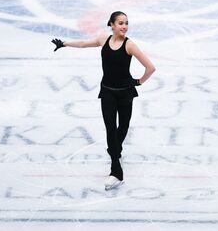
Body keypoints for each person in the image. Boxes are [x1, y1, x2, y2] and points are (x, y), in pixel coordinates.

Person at [51, 11, 156, 190]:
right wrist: (65, 44)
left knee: (122, 128)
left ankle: (116, 150)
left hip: (125, 93)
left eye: (126, 23)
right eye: (121, 23)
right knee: (110, 129)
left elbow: (151, 67)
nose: (124, 26)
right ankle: (116, 171)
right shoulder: (103, 40)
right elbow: (84, 44)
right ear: (112, 25)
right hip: (107, 92)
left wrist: (138, 82)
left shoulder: (130, 45)